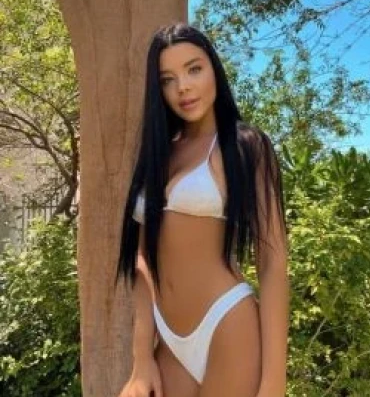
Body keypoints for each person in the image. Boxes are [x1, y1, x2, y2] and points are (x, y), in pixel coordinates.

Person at [116, 22, 289, 397]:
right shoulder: (159, 153)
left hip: (227, 324)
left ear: (214, 69)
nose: (183, 87)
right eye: (168, 79)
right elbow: (142, 259)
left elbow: (273, 263)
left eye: (194, 69)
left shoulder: (245, 145)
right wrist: (141, 356)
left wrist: (274, 382)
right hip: (169, 337)